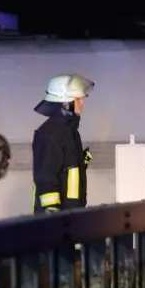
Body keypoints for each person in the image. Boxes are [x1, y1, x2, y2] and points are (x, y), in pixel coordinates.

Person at [31, 73, 94, 213]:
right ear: (66, 103)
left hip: (71, 214)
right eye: (78, 99)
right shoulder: (50, 133)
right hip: (56, 219)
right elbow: (45, 176)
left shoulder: (70, 132)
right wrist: (52, 212)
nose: (82, 103)